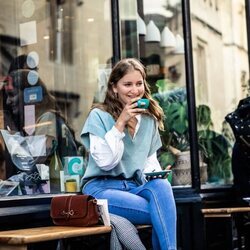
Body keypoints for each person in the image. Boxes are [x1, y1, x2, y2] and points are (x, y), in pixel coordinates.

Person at [81, 58, 177, 250]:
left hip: (134, 187)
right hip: (101, 189)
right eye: (127, 84)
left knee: (162, 186)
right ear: (114, 87)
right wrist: (120, 123)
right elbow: (106, 163)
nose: (135, 90)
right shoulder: (99, 116)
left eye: (139, 84)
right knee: (162, 213)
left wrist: (157, 174)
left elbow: (150, 164)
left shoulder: (148, 121)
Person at [3, 65, 78, 194]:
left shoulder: (48, 118)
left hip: (57, 191)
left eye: (12, 95)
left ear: (30, 94)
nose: (8, 102)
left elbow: (36, 162)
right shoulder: (41, 121)